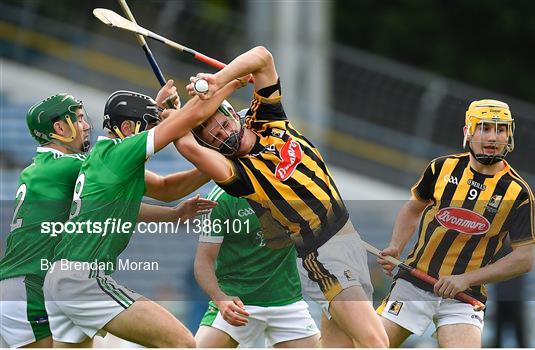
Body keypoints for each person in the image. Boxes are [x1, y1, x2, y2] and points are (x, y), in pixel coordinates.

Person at [175, 46, 389, 347]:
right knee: (375, 342)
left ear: (233, 114)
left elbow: (262, 57)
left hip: (348, 239)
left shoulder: (268, 119)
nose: (222, 135)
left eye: (222, 125)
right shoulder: (240, 175)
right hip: (323, 255)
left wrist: (218, 81)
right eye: (214, 137)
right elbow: (188, 147)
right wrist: (177, 113)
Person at [42, 80, 237, 348]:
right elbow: (187, 120)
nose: (155, 134)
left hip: (60, 280)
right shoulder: (117, 156)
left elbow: (168, 189)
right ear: (126, 129)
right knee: (183, 343)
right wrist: (224, 86)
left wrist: (221, 164)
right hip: (83, 280)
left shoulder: (109, 161)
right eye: (149, 127)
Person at [376, 99, 535, 347]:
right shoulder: (441, 168)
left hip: (464, 297)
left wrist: (466, 279)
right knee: (369, 345)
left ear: (509, 135)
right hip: (414, 283)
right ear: (468, 132)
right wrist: (396, 246)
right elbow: (412, 209)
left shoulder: (519, 193)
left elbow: (524, 259)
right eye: (484, 128)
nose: (493, 137)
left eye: (501, 129)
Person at [0, 93, 91, 348]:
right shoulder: (67, 167)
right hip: (29, 285)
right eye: (79, 119)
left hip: (22, 285)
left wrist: (173, 214)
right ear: (60, 128)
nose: (85, 126)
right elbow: (154, 185)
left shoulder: (40, 167)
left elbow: (116, 204)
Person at [195, 185, 320, 348]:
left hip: (288, 305)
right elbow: (203, 262)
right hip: (237, 306)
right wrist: (221, 300)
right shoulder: (221, 199)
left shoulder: (290, 188)